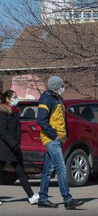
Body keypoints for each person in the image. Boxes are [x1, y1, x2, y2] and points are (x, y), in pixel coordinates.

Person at [37, 76, 85, 210]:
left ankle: (42, 198)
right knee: (61, 168)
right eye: (62, 85)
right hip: (51, 139)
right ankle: (67, 199)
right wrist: (54, 135)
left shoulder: (58, 99)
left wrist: (64, 135)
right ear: (57, 87)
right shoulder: (47, 98)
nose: (64, 87)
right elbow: (41, 120)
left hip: (57, 139)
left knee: (47, 170)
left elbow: (61, 120)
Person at [0, 90, 39, 205]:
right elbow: (2, 132)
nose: (17, 98)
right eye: (14, 97)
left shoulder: (13, 112)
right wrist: (14, 143)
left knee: (21, 172)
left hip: (13, 149)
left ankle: (31, 196)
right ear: (8, 99)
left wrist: (15, 145)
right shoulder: (2, 113)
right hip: (4, 148)